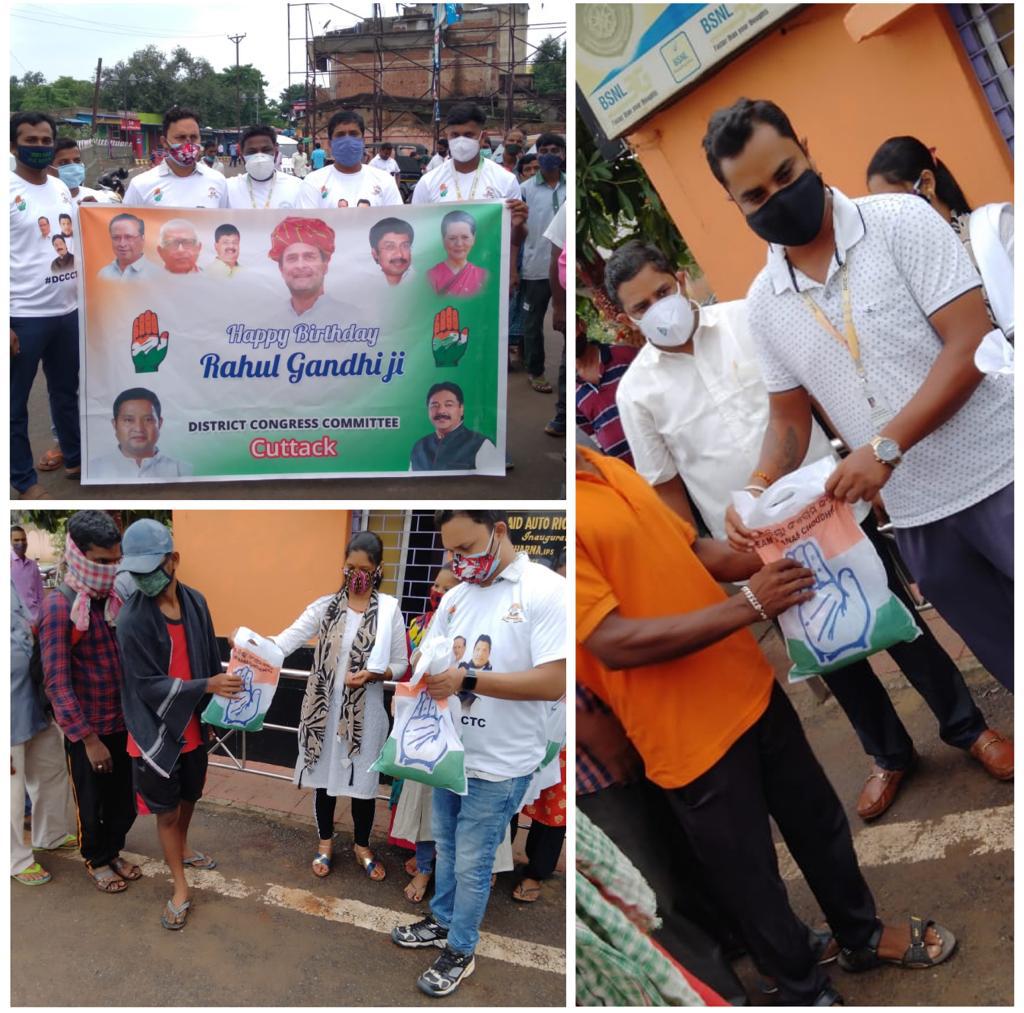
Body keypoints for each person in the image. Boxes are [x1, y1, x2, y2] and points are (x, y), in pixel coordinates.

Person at [606, 237, 1012, 817]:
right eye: (642, 308)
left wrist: (876, 476)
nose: (659, 311)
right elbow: (667, 490)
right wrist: (712, 556)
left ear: (680, 280)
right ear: (626, 318)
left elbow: (813, 404)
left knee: (899, 621)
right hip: (759, 549)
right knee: (828, 650)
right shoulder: (636, 392)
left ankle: (968, 729)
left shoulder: (751, 320)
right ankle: (890, 755)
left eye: (663, 292)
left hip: (833, 507)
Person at [577, 445, 957, 1006]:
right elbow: (610, 643)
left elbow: (694, 552)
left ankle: (861, 935)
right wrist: (750, 605)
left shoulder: (605, 464)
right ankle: (800, 988)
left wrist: (795, 541)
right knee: (750, 878)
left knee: (821, 826)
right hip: (685, 735)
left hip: (749, 688)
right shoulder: (559, 520)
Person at [703, 98, 1014, 694]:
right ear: (735, 204)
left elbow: (969, 342)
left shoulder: (898, 220)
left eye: (785, 175)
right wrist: (756, 486)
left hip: (1002, 475)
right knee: (1008, 659)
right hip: (921, 521)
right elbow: (787, 418)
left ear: (807, 151)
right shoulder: (766, 303)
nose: (776, 197)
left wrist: (886, 446)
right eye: (755, 195)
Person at [391, 509, 566, 998]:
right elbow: (434, 660)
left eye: (466, 549)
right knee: (447, 847)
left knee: (472, 861)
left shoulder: (545, 590)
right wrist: (412, 687)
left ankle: (461, 950)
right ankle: (443, 922)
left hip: (501, 762)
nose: (458, 561)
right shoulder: (456, 598)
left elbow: (555, 680)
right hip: (449, 755)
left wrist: (470, 679)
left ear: (500, 532)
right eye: (451, 552)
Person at [115, 519, 238, 929]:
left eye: (151, 569)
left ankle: (182, 848)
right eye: (136, 572)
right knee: (165, 812)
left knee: (189, 797)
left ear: (174, 561)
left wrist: (215, 703)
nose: (144, 579)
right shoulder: (131, 620)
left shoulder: (196, 602)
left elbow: (206, 655)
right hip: (153, 730)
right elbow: (147, 686)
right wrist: (207, 683)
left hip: (192, 724)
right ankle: (180, 887)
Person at [266, 531, 408, 883]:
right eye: (350, 567)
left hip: (368, 712)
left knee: (362, 785)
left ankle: (362, 846)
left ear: (377, 569)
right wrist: (252, 647)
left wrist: (378, 673)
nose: (356, 574)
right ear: (342, 567)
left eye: (364, 568)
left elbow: (401, 663)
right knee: (325, 782)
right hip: (323, 713)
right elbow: (286, 640)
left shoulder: (389, 609)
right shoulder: (325, 607)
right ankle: (325, 842)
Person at [39, 511, 138, 894]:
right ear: (78, 555)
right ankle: (97, 859)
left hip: (123, 722)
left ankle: (113, 850)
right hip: (89, 731)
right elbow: (57, 684)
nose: (112, 569)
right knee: (92, 803)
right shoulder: (59, 607)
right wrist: (88, 739)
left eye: (116, 561)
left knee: (123, 803)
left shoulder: (110, 601)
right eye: (102, 562)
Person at [866, 135, 1014, 339]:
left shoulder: (996, 226)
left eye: (897, 204)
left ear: (926, 183)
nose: (891, 217)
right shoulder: (914, 276)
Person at [10, 110, 81, 499]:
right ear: (12, 145)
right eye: (30, 140)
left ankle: (75, 457)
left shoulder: (57, 188)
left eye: (44, 141)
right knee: (14, 404)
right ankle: (23, 480)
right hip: (23, 315)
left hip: (66, 311)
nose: (38, 147)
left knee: (66, 391)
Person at [11, 579, 76, 887]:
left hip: (33, 697)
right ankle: (15, 858)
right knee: (10, 789)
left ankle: (50, 835)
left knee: (51, 769)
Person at [519, 133, 566, 395]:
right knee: (533, 322)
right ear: (537, 155)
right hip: (535, 266)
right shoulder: (524, 190)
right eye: (544, 150)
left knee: (566, 321)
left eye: (555, 150)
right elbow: (516, 231)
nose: (550, 154)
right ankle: (535, 371)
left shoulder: (572, 187)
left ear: (563, 155)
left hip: (564, 269)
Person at [122, 106, 227, 208]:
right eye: (181, 137)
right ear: (164, 142)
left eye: (194, 137)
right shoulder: (140, 186)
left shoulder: (218, 181)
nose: (188, 143)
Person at [266, 215, 361, 320]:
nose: (300, 265)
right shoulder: (268, 328)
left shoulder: (353, 321)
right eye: (292, 258)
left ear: (325, 265)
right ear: (281, 269)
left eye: (309, 257)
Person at [89, 387, 191, 481]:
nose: (139, 428)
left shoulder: (183, 470)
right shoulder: (93, 470)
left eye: (148, 420)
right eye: (128, 420)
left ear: (160, 423)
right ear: (115, 424)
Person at [306, 111, 402, 208]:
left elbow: (395, 221)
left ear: (363, 142)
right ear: (330, 144)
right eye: (340, 135)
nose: (348, 140)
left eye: (353, 134)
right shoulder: (313, 183)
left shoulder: (385, 181)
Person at [575, 333, 639, 463]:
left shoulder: (625, 355)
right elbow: (591, 432)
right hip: (626, 471)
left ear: (581, 325)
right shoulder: (573, 388)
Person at [409, 382, 500, 472]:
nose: (441, 411)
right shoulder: (419, 447)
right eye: (434, 405)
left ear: (461, 409)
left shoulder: (481, 444)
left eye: (448, 405)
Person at [225, 125, 318, 210]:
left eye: (266, 150)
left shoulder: (298, 187)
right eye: (252, 151)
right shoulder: (228, 189)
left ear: (275, 150)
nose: (259, 156)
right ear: (241, 154)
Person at [544, 202, 569, 438]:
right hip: (570, 299)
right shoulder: (568, 207)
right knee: (568, 358)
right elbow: (555, 256)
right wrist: (559, 306)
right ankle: (563, 415)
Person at [426, 210, 488, 296]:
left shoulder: (483, 276)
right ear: (443, 240)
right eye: (452, 238)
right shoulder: (430, 276)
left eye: (465, 237)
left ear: (474, 238)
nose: (459, 244)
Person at [51, 137, 118, 204]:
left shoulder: (99, 200)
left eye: (77, 161)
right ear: (49, 168)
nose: (73, 167)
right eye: (64, 163)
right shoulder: (43, 204)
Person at [97, 213, 159, 281]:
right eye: (116, 238)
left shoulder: (156, 275)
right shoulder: (104, 274)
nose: (122, 244)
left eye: (129, 237)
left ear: (142, 238)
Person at [368, 216, 415, 288]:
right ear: (375, 254)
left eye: (405, 246)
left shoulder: (423, 282)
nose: (399, 255)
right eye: (390, 247)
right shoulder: (364, 285)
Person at [11, 525, 44, 626]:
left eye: (23, 539)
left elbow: (40, 594)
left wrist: (39, 616)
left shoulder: (33, 565)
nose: (21, 543)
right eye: (16, 540)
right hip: (15, 623)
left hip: (34, 621)